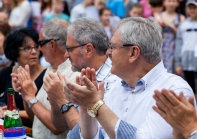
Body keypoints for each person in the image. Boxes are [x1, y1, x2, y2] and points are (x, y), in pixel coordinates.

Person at [65, 17, 194, 138]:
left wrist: (95, 105)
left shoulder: (174, 90)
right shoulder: (114, 85)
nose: (108, 52)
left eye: (112, 47)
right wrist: (86, 108)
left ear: (133, 53)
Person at [11, 18, 80, 139]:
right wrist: (25, 93)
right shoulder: (51, 69)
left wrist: (31, 98)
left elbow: (57, 127)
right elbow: (36, 118)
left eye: (40, 44)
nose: (39, 50)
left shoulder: (73, 75)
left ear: (52, 44)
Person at [0, 28, 46, 128]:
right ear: (15, 51)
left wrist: (10, 113)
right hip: (10, 128)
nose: (34, 52)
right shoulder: (6, 73)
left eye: (36, 47)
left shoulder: (47, 75)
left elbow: (45, 113)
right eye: (27, 48)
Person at [157, 0, 185, 73]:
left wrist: (170, 25)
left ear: (177, 3)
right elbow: (155, 33)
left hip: (176, 47)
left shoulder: (181, 18)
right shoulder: (159, 16)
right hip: (162, 48)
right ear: (164, 2)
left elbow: (182, 36)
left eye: (174, 1)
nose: (171, 3)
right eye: (169, 1)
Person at [174, 0, 197, 94]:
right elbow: (179, 43)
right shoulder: (183, 25)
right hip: (186, 60)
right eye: (190, 8)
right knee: (189, 86)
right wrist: (178, 63)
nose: (192, 10)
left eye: (194, 8)